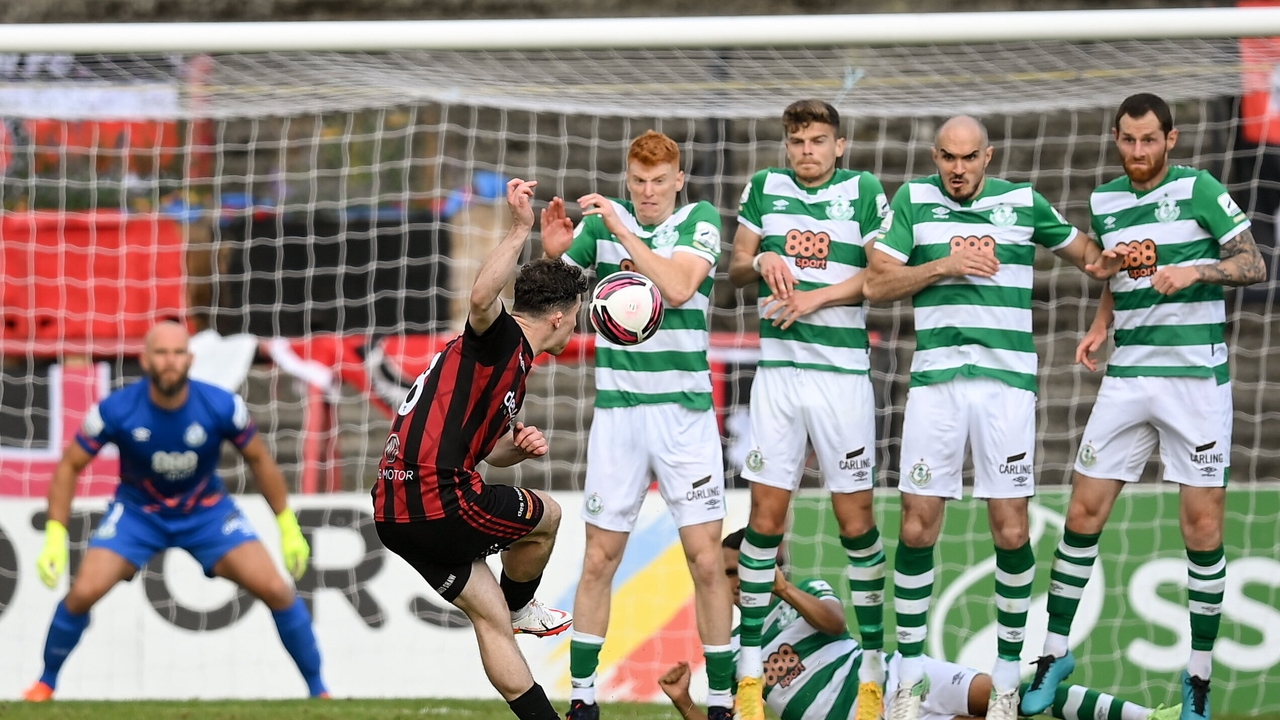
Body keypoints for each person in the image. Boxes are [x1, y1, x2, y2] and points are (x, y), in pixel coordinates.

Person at [862, 115, 1128, 720]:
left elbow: (1091, 259)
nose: (957, 169)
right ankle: (908, 682)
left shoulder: (1022, 202)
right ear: (935, 155)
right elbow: (877, 285)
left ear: (989, 154)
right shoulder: (913, 200)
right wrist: (943, 266)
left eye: (969, 157)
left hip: (1007, 389)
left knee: (1010, 529)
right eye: (947, 158)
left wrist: (1114, 266)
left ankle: (1006, 681)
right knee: (916, 526)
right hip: (936, 385)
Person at [1020, 93, 1267, 720]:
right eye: (1127, 141)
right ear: (1115, 139)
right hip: (1128, 378)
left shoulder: (1201, 189)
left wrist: (1198, 272)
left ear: (1171, 138)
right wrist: (1102, 322)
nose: (1138, 152)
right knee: (1082, 512)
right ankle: (1053, 653)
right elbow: (1119, 275)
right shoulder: (1105, 200)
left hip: (1194, 382)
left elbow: (1253, 263)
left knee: (1202, 530)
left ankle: (1199, 680)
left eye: (1149, 140)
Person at [373, 178, 587, 720]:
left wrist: (517, 448)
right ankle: (523, 605)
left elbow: (490, 455)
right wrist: (519, 229)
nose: (577, 326)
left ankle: (517, 625)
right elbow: (480, 298)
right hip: (437, 498)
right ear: (560, 317)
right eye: (576, 315)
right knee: (550, 515)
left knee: (488, 621)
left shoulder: (510, 365)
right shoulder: (501, 341)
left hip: (394, 509)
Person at [540, 130, 735, 720]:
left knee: (704, 558)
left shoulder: (699, 220)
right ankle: (581, 699)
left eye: (659, 181)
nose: (648, 193)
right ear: (628, 178)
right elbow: (551, 309)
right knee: (599, 558)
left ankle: (721, 701)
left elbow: (678, 287)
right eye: (638, 181)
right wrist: (552, 255)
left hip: (685, 417)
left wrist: (623, 230)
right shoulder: (596, 233)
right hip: (620, 415)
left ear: (679, 181)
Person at [25, 321, 325, 701]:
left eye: (178, 353)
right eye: (162, 353)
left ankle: (320, 691)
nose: (170, 361)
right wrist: (55, 535)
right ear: (145, 359)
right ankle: (44, 684)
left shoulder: (221, 405)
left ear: (191, 359)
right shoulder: (115, 410)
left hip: (207, 513)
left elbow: (260, 461)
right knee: (82, 592)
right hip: (138, 514)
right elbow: (69, 465)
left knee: (277, 590)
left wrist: (287, 526)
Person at [656, 528, 1183, 720]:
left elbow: (839, 625)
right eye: (726, 573)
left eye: (740, 570)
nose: (732, 582)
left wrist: (783, 587)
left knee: (1012, 697)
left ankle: (1149, 718)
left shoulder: (803, 594)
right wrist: (684, 702)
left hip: (899, 681)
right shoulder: (727, 650)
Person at [726, 99, 889, 720]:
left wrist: (816, 298)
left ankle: (871, 675)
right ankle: (747, 683)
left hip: (842, 376)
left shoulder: (865, 190)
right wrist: (760, 258)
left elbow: (878, 275)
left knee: (856, 520)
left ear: (839, 145)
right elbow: (738, 266)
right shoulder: (765, 187)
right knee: (765, 517)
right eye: (798, 141)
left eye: (819, 141)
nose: (808, 151)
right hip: (779, 376)